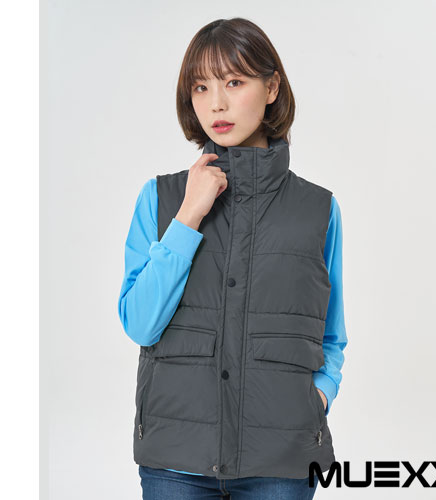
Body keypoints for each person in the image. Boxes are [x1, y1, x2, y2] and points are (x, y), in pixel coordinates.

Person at [118, 17, 348, 500]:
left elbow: (331, 333)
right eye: (201, 87)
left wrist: (320, 394)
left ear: (272, 88)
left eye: (235, 82)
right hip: (175, 461)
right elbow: (140, 324)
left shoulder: (318, 209)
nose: (216, 103)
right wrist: (188, 217)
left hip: (282, 459)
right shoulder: (160, 199)